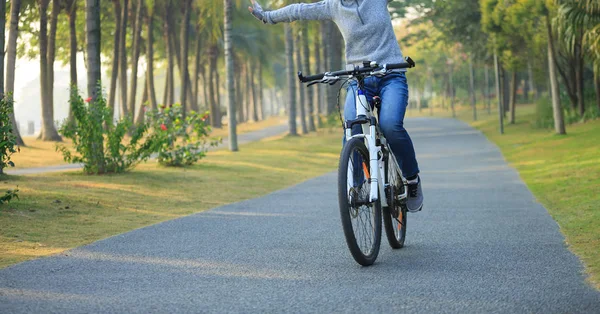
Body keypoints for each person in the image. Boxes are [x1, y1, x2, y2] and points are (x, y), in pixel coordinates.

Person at [249, 0, 423, 212]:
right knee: (352, 128)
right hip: (360, 80)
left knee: (390, 125)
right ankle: (356, 186)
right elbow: (299, 10)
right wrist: (267, 16)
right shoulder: (334, 6)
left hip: (391, 75)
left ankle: (412, 180)